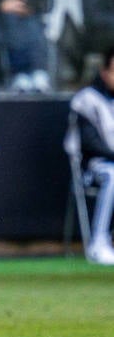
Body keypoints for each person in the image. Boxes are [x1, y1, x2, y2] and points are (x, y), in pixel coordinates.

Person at [67, 44, 114, 264]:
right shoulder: (87, 98)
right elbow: (90, 143)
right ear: (104, 72)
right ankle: (99, 243)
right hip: (95, 166)